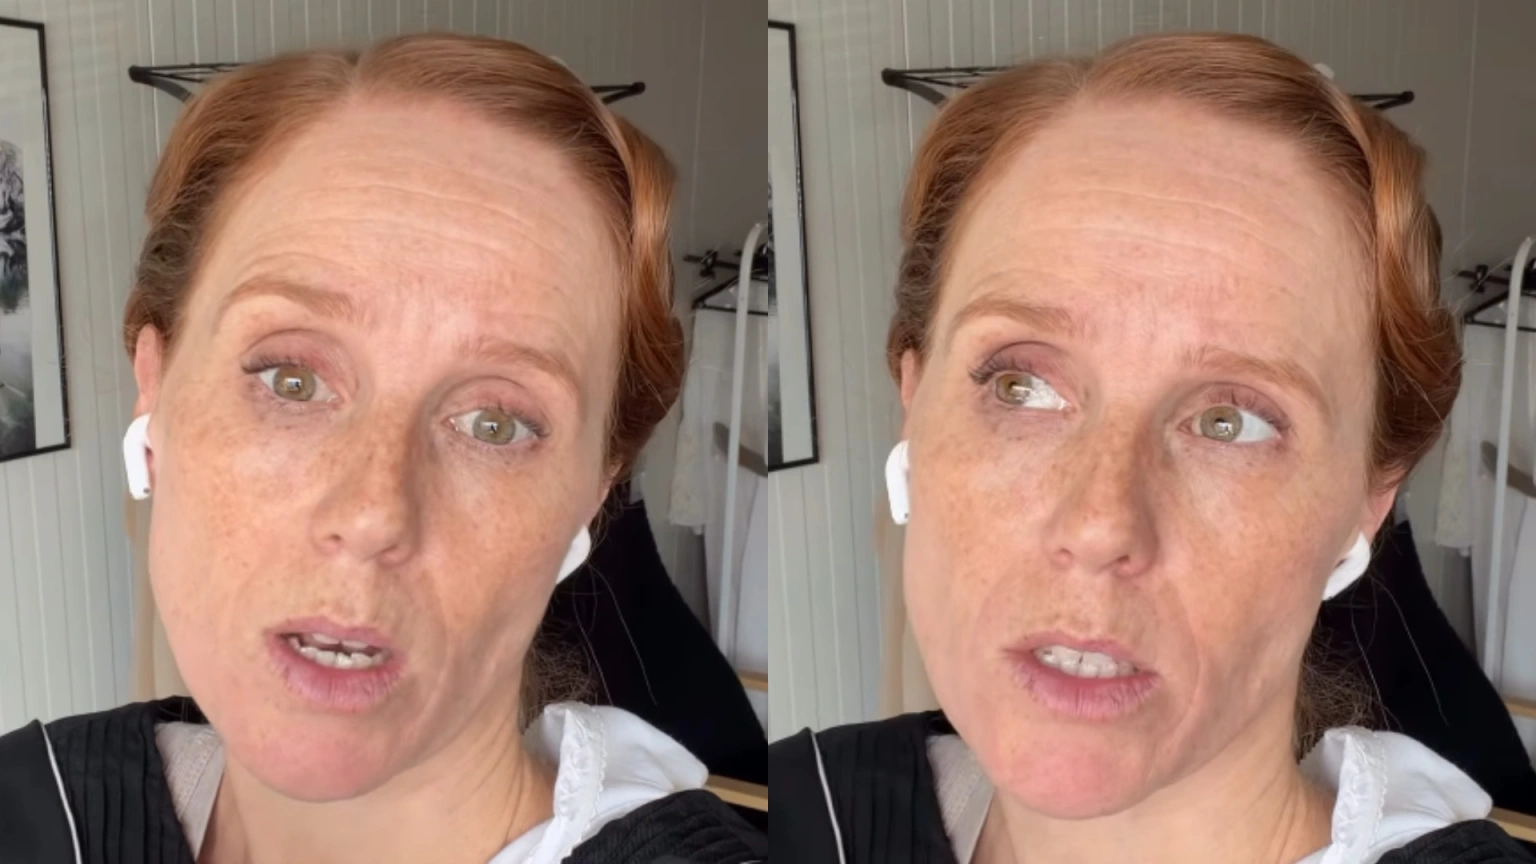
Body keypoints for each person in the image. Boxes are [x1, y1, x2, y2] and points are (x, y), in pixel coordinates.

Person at [772, 32, 1536, 864]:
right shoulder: (804, 808)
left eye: (1230, 421)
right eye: (1019, 385)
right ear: (914, 404)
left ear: (1370, 498)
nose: (1099, 526)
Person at [0, 34, 765, 864]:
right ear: (155, 389)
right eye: (291, 379)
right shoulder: (36, 801)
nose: (373, 514)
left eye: (496, 423)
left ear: (594, 490)